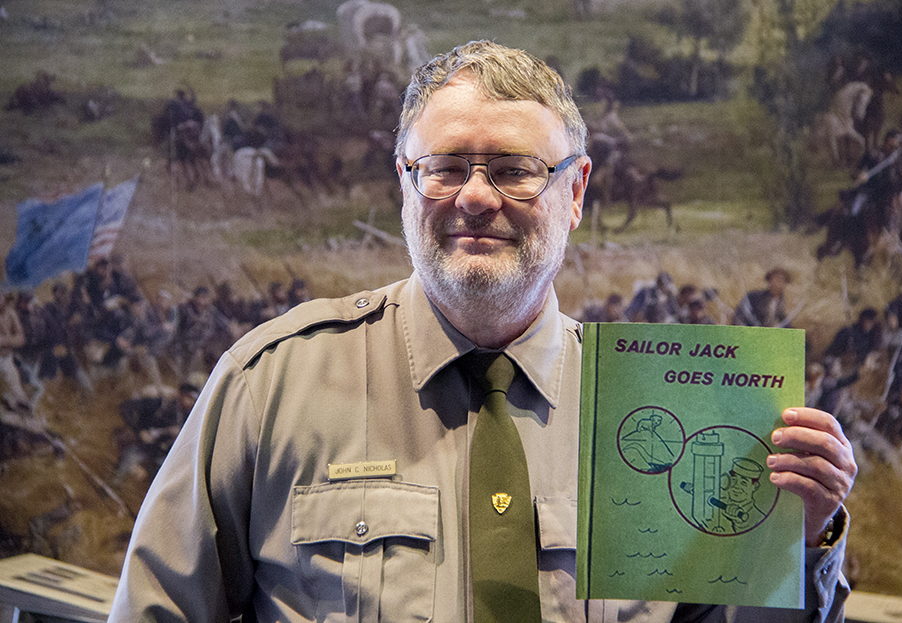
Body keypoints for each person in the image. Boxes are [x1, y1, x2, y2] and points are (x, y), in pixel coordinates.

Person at [109, 41, 857, 622]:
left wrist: (799, 538)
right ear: (404, 183)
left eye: (513, 167)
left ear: (576, 191)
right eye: (444, 166)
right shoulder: (268, 384)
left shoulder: (676, 410)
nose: (474, 196)